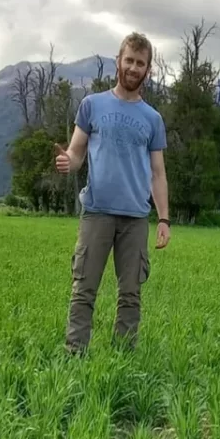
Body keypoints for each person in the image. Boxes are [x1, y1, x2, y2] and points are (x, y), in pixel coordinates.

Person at [54, 31, 170, 354]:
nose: (134, 68)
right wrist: (68, 162)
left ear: (148, 70)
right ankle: (74, 353)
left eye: (141, 63)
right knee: (84, 288)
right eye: (129, 60)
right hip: (97, 212)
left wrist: (164, 219)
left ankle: (122, 356)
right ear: (118, 62)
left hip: (135, 218)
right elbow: (77, 153)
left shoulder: (153, 118)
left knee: (131, 293)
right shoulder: (92, 105)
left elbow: (158, 173)